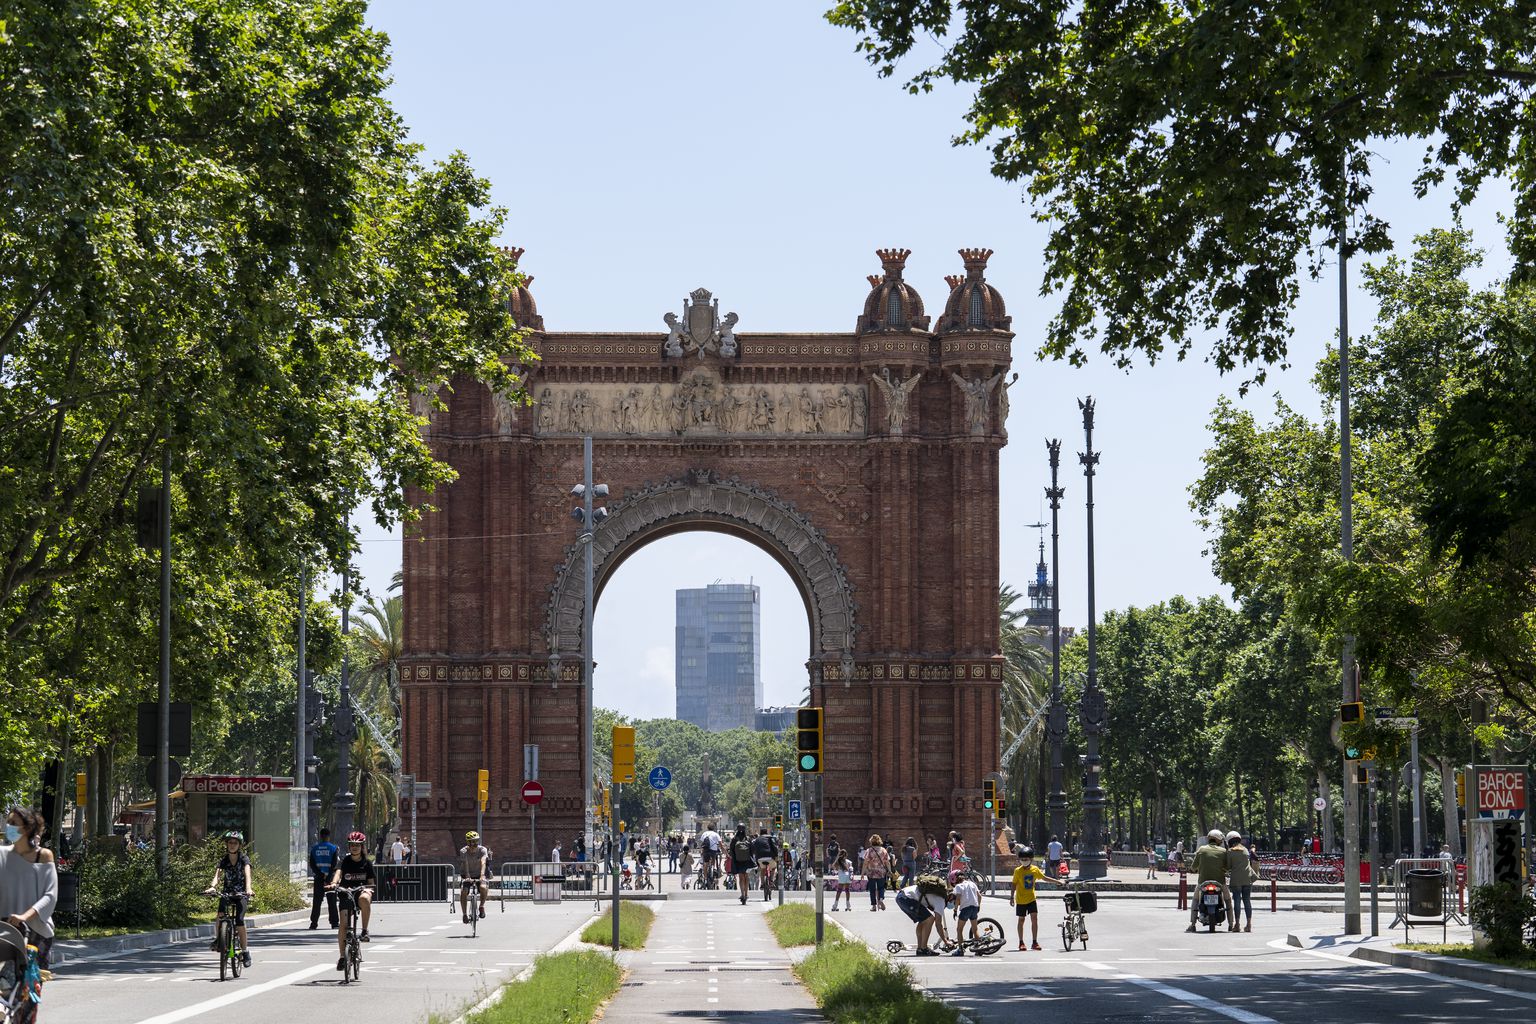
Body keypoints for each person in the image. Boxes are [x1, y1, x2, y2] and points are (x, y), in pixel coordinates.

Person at [1, 806, 58, 977]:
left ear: (26, 828)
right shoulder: (2, 854)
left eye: (13, 823)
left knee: (28, 989)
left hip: (35, 930)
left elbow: (50, 895)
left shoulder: (44, 856)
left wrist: (24, 916)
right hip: (5, 929)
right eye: (8, 822)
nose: (8, 827)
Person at [204, 831, 254, 967]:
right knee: (220, 915)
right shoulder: (224, 860)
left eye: (235, 843)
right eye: (230, 843)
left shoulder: (244, 859)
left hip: (241, 894)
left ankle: (245, 951)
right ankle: (219, 939)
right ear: (226, 844)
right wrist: (212, 887)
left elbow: (247, 873)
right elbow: (217, 875)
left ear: (239, 845)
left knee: (239, 921)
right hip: (227, 893)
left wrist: (248, 889)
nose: (232, 845)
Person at [327, 831, 376, 970]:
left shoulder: (367, 863)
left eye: (357, 845)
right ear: (349, 847)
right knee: (343, 924)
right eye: (352, 845)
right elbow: (338, 873)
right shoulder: (345, 861)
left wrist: (369, 889)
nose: (354, 847)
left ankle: (365, 931)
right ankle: (343, 956)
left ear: (362, 847)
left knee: (364, 897)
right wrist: (334, 883)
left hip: (361, 891)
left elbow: (371, 882)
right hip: (346, 893)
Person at [1187, 828, 1234, 932]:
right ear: (1218, 840)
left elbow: (1193, 867)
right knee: (1228, 901)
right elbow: (1227, 867)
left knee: (1195, 900)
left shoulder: (1201, 850)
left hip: (1203, 882)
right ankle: (1231, 924)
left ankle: (1192, 924)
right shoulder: (1223, 851)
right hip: (1220, 883)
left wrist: (1192, 870)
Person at [1009, 845, 1055, 950]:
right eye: (1022, 859)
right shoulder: (1017, 871)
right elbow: (1014, 884)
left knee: (1034, 919)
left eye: (1026, 859)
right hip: (1020, 900)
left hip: (1031, 899)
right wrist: (1011, 897)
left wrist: (1057, 881)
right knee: (1021, 920)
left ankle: (1035, 942)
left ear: (1031, 859)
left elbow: (1044, 878)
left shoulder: (1035, 870)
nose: (1024, 861)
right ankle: (1021, 942)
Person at [894, 876, 951, 955]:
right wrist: (945, 941)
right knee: (930, 919)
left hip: (901, 895)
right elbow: (938, 924)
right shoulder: (940, 902)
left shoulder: (939, 897)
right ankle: (924, 948)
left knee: (923, 921)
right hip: (906, 898)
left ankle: (920, 949)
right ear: (950, 898)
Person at [308, 827, 340, 930]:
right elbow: (334, 864)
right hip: (330, 879)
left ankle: (314, 923)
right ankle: (334, 923)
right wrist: (328, 876)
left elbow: (312, 864)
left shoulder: (314, 848)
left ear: (320, 836)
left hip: (318, 878)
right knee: (332, 901)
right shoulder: (333, 848)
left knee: (317, 901)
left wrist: (320, 874)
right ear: (328, 836)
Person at [1226, 831, 1257, 933]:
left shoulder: (1230, 851)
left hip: (1236, 880)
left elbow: (1228, 867)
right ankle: (1249, 924)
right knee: (1247, 901)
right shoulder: (1245, 850)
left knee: (1237, 901)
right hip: (1247, 879)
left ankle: (1237, 924)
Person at [459, 831, 491, 923]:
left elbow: (483, 862)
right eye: (472, 842)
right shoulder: (463, 851)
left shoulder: (482, 850)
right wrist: (468, 876)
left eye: (476, 841)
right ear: (468, 842)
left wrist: (482, 875)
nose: (474, 844)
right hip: (466, 873)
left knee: (483, 887)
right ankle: (464, 914)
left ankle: (481, 906)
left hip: (479, 873)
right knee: (464, 891)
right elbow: (465, 863)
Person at [950, 869, 981, 955]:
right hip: (974, 907)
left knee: (959, 929)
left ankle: (960, 950)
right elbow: (979, 896)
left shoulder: (958, 886)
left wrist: (955, 910)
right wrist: (978, 906)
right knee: (975, 929)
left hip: (965, 909)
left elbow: (958, 898)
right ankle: (978, 949)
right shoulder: (972, 884)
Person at [862, 834, 892, 911]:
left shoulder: (869, 850)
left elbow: (865, 862)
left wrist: (862, 873)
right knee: (881, 888)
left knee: (872, 890)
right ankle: (881, 899)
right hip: (881, 872)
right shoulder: (883, 850)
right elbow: (887, 862)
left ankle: (874, 906)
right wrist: (890, 870)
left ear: (871, 841)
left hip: (871, 872)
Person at [750, 828, 779, 901]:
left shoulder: (757, 839)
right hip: (770, 857)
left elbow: (753, 849)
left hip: (760, 858)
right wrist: (776, 856)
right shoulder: (770, 838)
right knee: (774, 867)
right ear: (767, 832)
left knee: (762, 869)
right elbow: (774, 847)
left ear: (760, 833)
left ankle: (762, 883)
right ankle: (771, 881)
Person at [728, 825, 754, 904]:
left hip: (738, 861)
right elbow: (752, 850)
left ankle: (742, 894)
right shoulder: (748, 839)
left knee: (741, 878)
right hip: (747, 860)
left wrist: (734, 858)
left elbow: (731, 851)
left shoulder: (734, 839)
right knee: (746, 877)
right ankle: (746, 894)